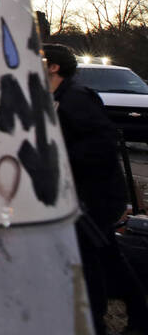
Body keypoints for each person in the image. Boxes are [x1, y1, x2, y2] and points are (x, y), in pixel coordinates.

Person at [43, 43, 148, 334]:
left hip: (96, 197)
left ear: (53, 67)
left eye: (39, 59)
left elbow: (101, 146)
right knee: (101, 257)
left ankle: (122, 316)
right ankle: (106, 317)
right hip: (84, 194)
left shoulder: (76, 98)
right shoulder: (57, 97)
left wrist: (59, 158)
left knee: (99, 258)